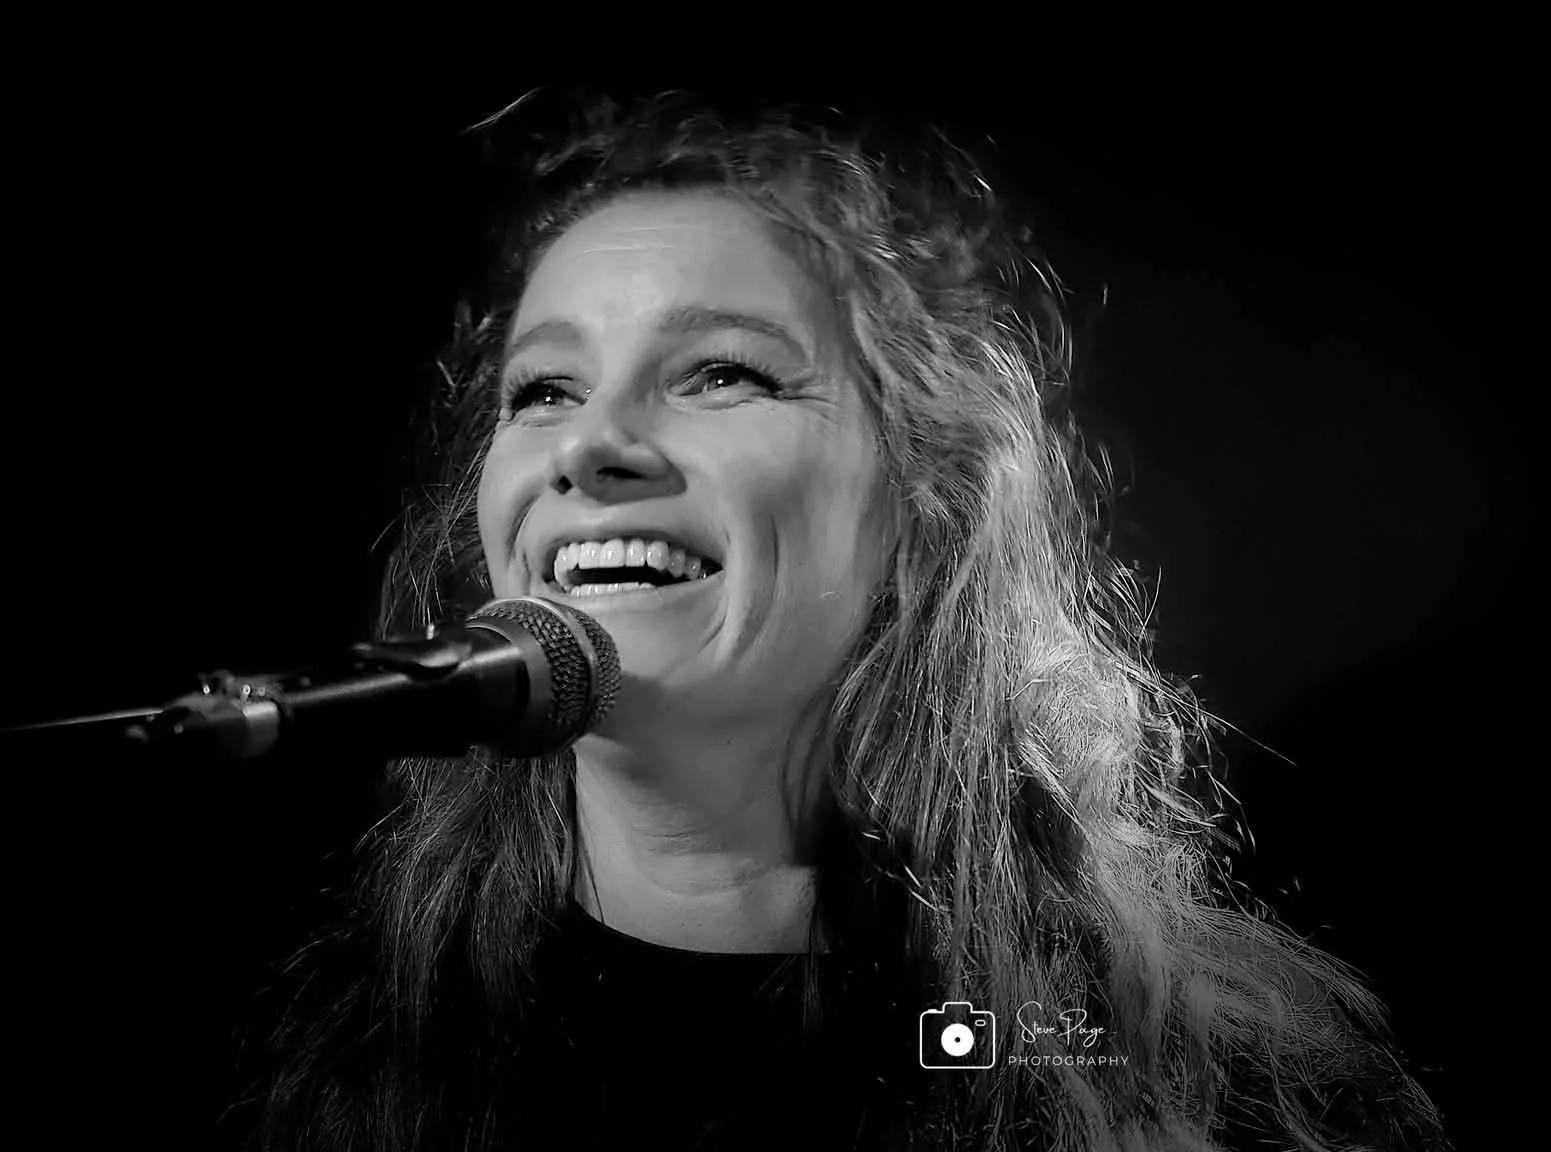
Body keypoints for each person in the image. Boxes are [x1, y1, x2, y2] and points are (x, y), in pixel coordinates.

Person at [236, 88, 1450, 1151]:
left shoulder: (1206, 1083)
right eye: (543, 389)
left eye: (722, 372)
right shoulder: (318, 1049)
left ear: (923, 501)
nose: (588, 445)